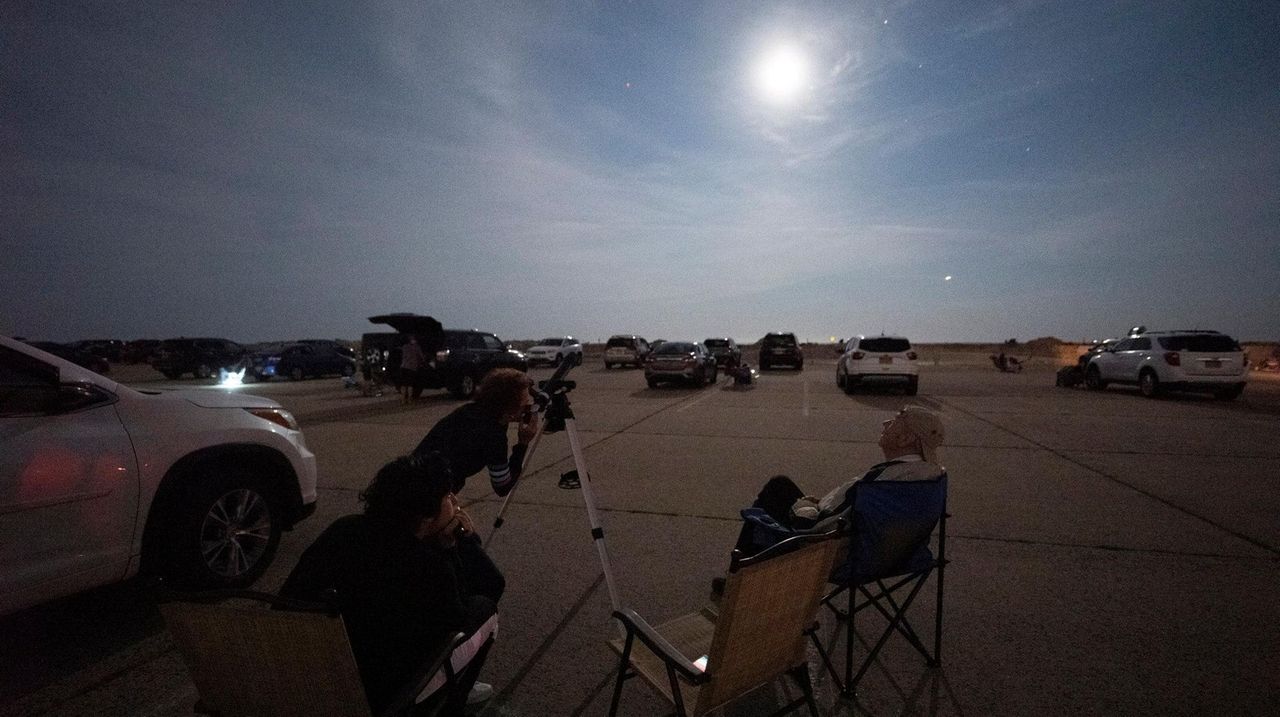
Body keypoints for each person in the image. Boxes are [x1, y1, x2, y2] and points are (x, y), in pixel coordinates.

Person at [279, 454, 498, 715]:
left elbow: (290, 595)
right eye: (448, 497)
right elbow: (468, 609)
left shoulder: (343, 530)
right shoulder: (429, 564)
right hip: (379, 693)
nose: (455, 502)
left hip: (306, 669)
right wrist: (456, 545)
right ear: (426, 516)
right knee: (485, 610)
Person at [732, 406, 946, 558]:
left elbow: (823, 526)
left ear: (905, 439)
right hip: (897, 557)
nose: (885, 423)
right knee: (783, 487)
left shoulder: (880, 483)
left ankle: (741, 573)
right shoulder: (929, 477)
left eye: (896, 420)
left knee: (776, 488)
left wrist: (806, 506)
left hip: (841, 551)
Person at [399, 336, 426, 403]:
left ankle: (403, 399)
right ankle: (409, 399)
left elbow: (402, 355)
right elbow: (422, 357)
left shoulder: (404, 346)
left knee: (403, 384)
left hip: (403, 366)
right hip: (412, 367)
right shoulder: (417, 347)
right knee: (410, 384)